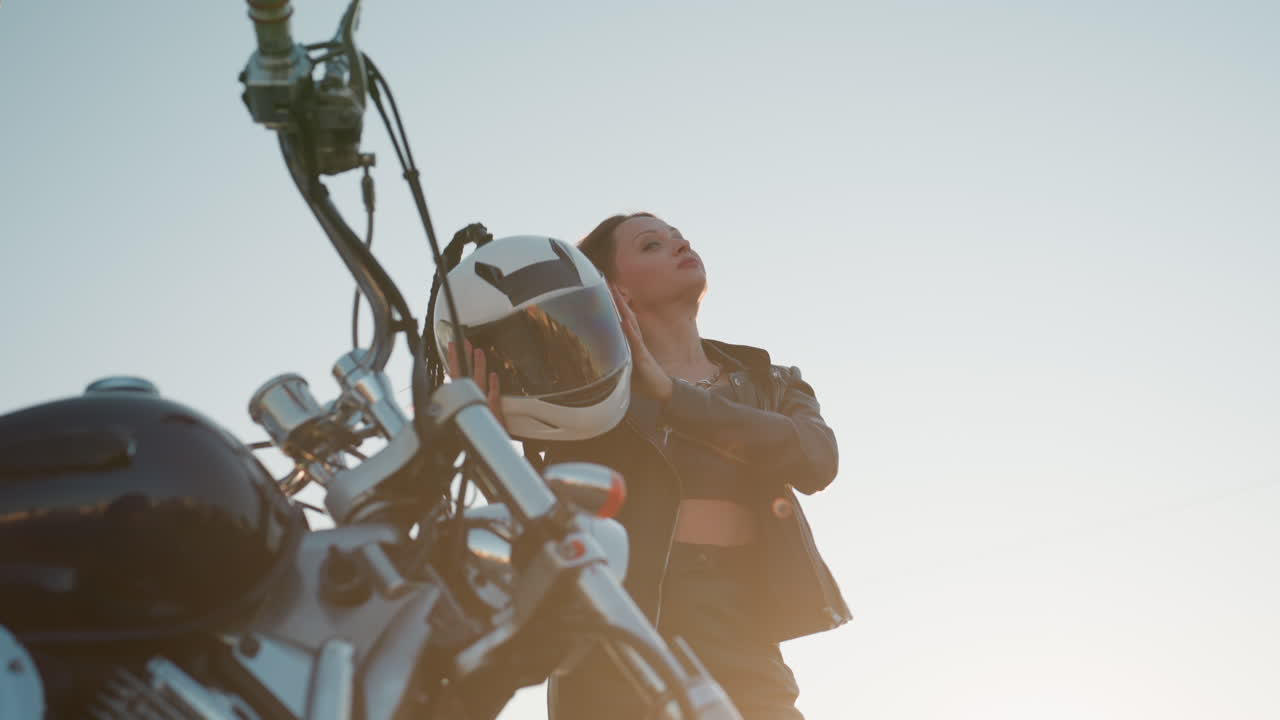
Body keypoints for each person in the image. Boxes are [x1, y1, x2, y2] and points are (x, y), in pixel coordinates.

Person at [453, 213, 849, 719]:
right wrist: (490, 439)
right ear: (617, 291)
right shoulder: (586, 397)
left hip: (743, 625)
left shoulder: (770, 379)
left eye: (678, 235)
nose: (680, 242)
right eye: (651, 244)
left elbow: (818, 458)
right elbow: (536, 528)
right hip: (618, 628)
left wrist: (669, 394)